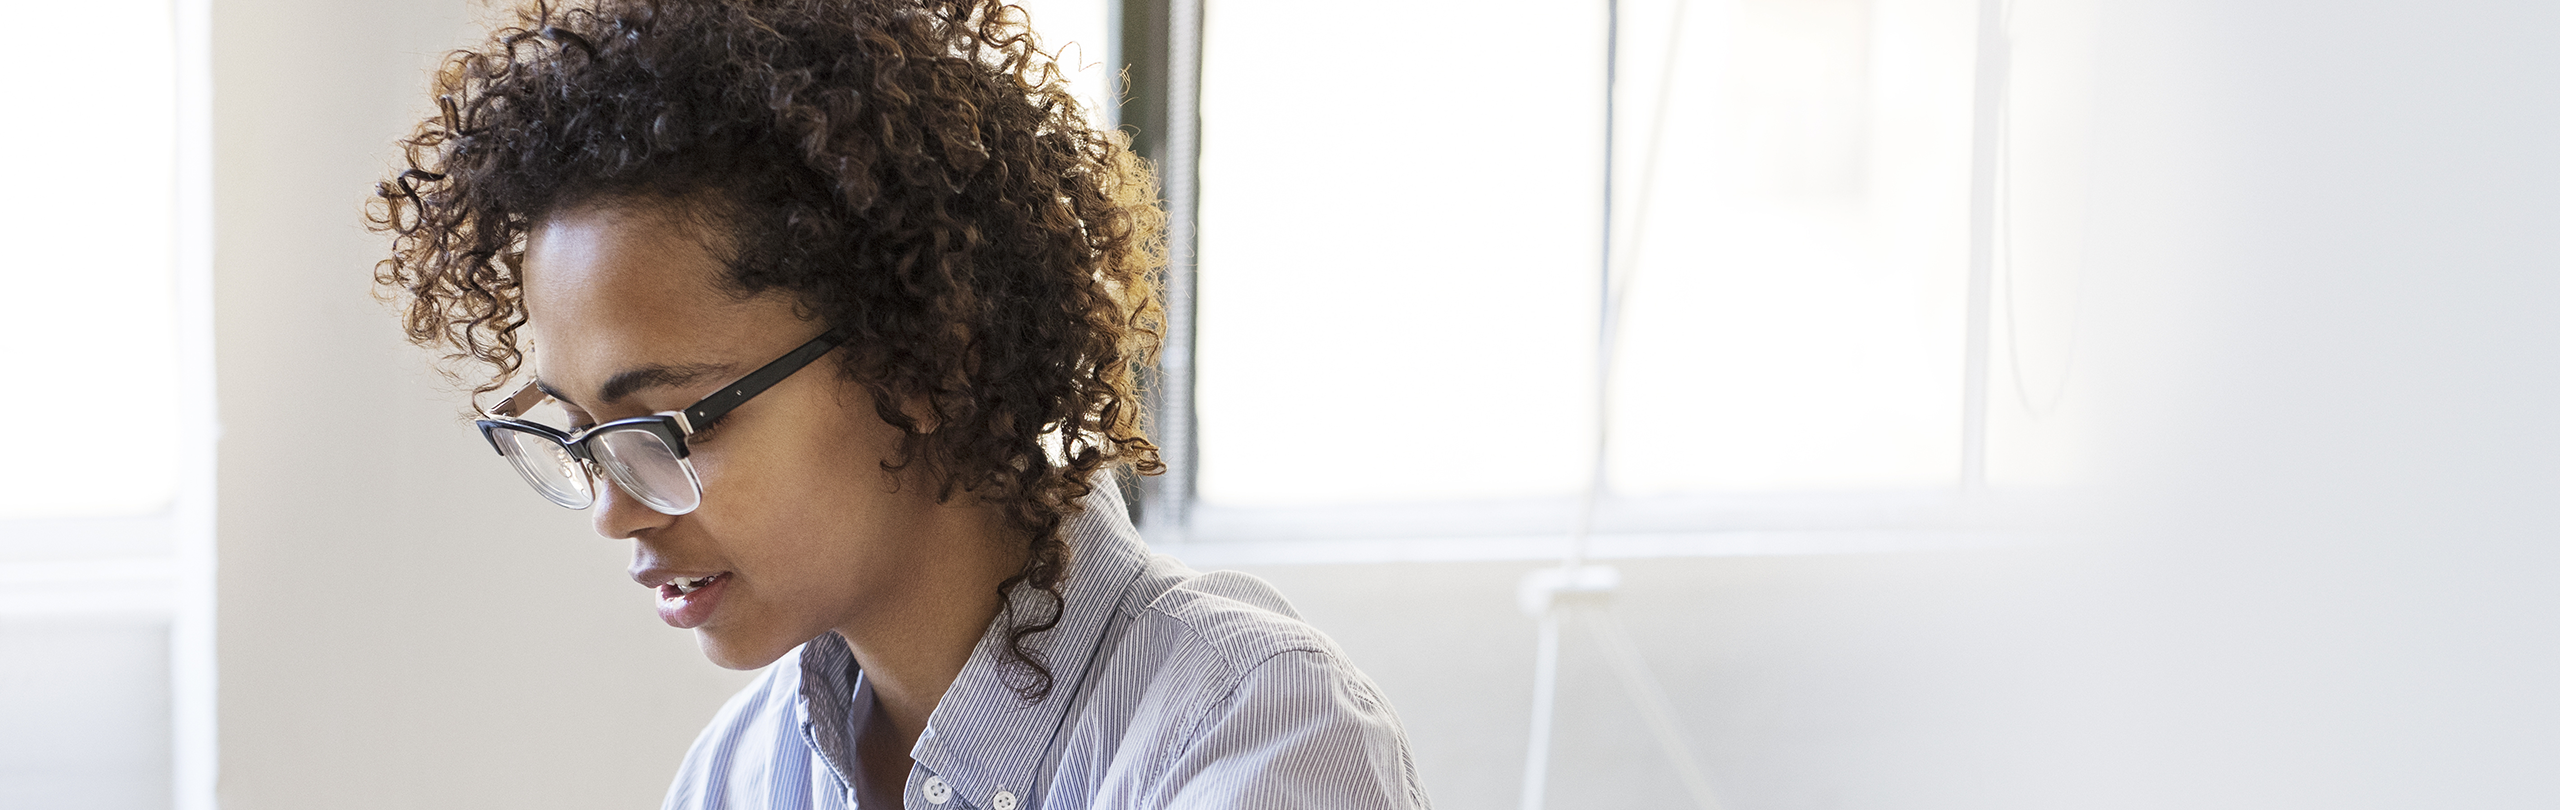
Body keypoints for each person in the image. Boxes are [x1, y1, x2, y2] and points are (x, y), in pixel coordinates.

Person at [368, 1, 1431, 808]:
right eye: (586, 437)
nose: (615, 508)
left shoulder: (1250, 736)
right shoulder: (740, 773)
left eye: (666, 426)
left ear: (921, 362)